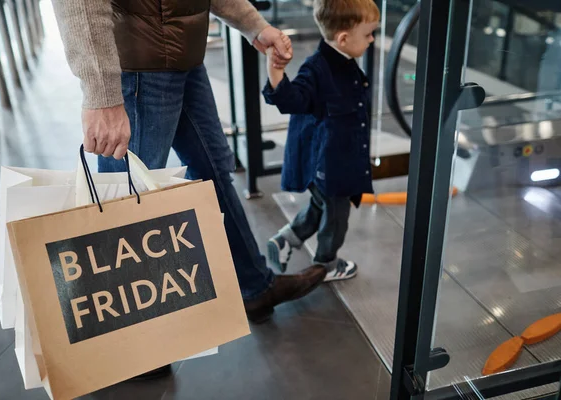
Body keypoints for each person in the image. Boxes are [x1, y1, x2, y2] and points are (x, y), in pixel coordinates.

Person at [50, 0, 328, 325]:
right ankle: (128, 335)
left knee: (214, 175)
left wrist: (254, 24)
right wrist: (101, 93)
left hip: (184, 58)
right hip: (139, 67)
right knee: (127, 206)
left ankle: (254, 287)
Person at [262, 0, 379, 281]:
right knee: (337, 216)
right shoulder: (317, 69)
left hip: (339, 158)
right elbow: (293, 99)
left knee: (321, 205)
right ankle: (326, 263)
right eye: (368, 34)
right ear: (343, 38)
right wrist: (276, 71)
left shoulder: (346, 63)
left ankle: (287, 238)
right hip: (329, 162)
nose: (372, 39)